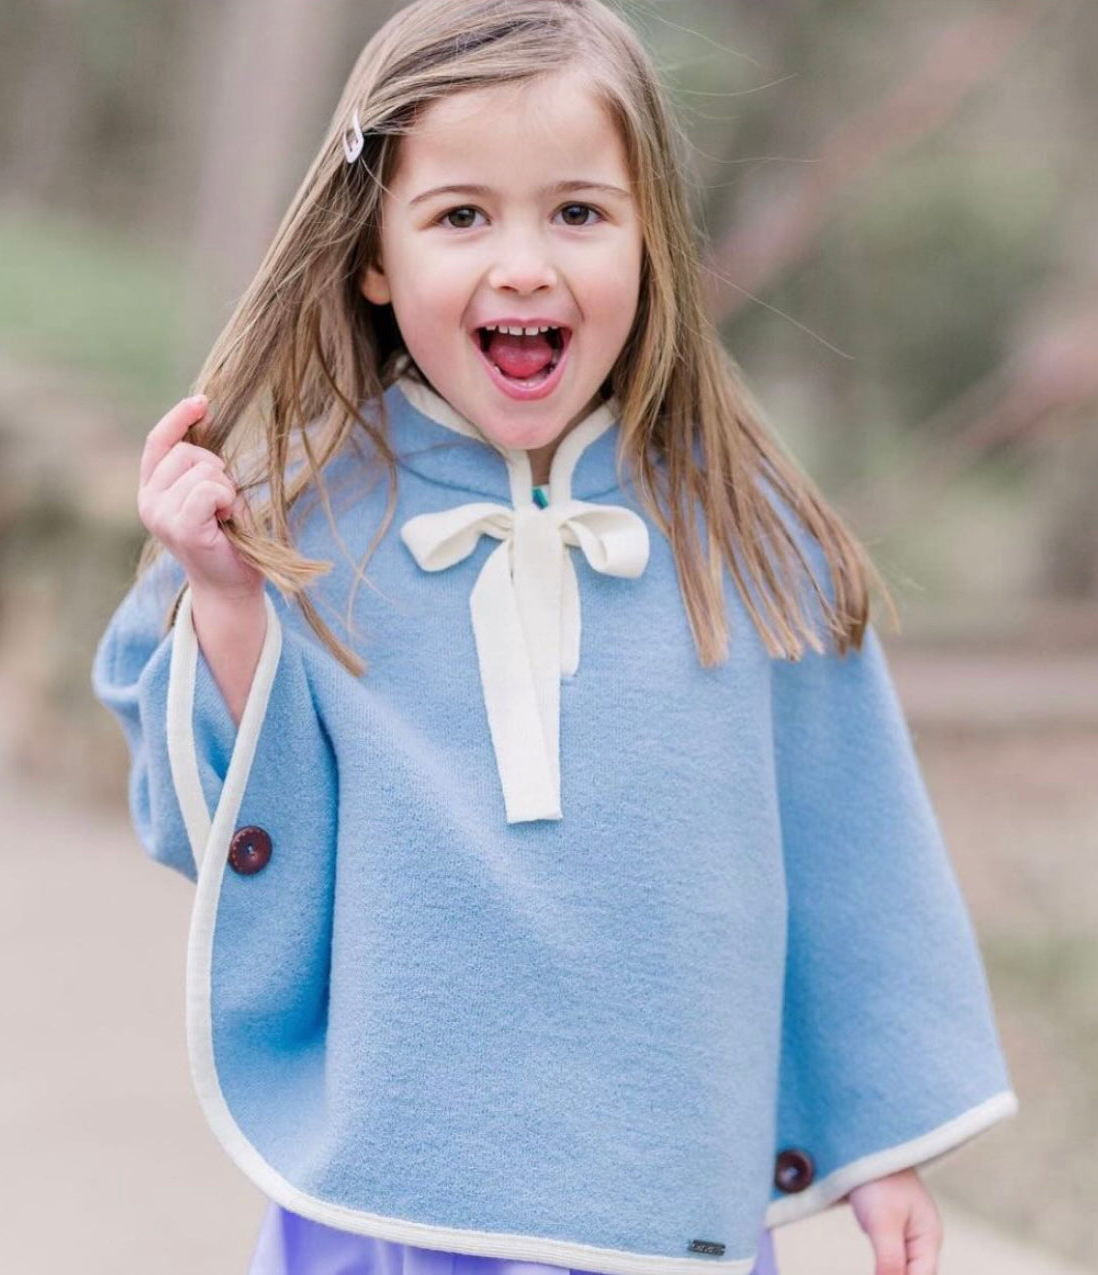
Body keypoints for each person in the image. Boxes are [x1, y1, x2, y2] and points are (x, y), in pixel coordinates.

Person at [90, 2, 1019, 1274]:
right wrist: (229, 600)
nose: (523, 264)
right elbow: (235, 831)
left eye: (578, 213)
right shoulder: (298, 520)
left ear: (651, 248)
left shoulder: (745, 535)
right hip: (399, 1202)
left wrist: (882, 1143)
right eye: (462, 215)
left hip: (665, 1199)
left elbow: (851, 838)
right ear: (373, 253)